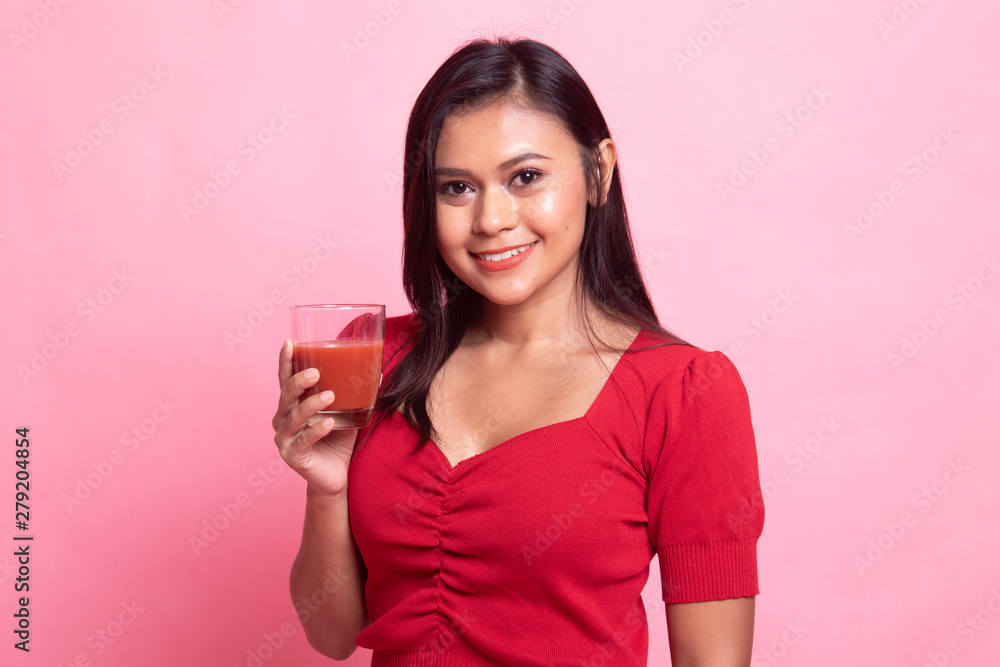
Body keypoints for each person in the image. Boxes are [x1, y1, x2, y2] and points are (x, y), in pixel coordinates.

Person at [273, 36, 764, 666]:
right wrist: (327, 489)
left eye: (525, 177)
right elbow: (332, 635)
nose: (491, 219)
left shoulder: (684, 392)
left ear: (599, 172)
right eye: (457, 188)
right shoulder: (377, 357)